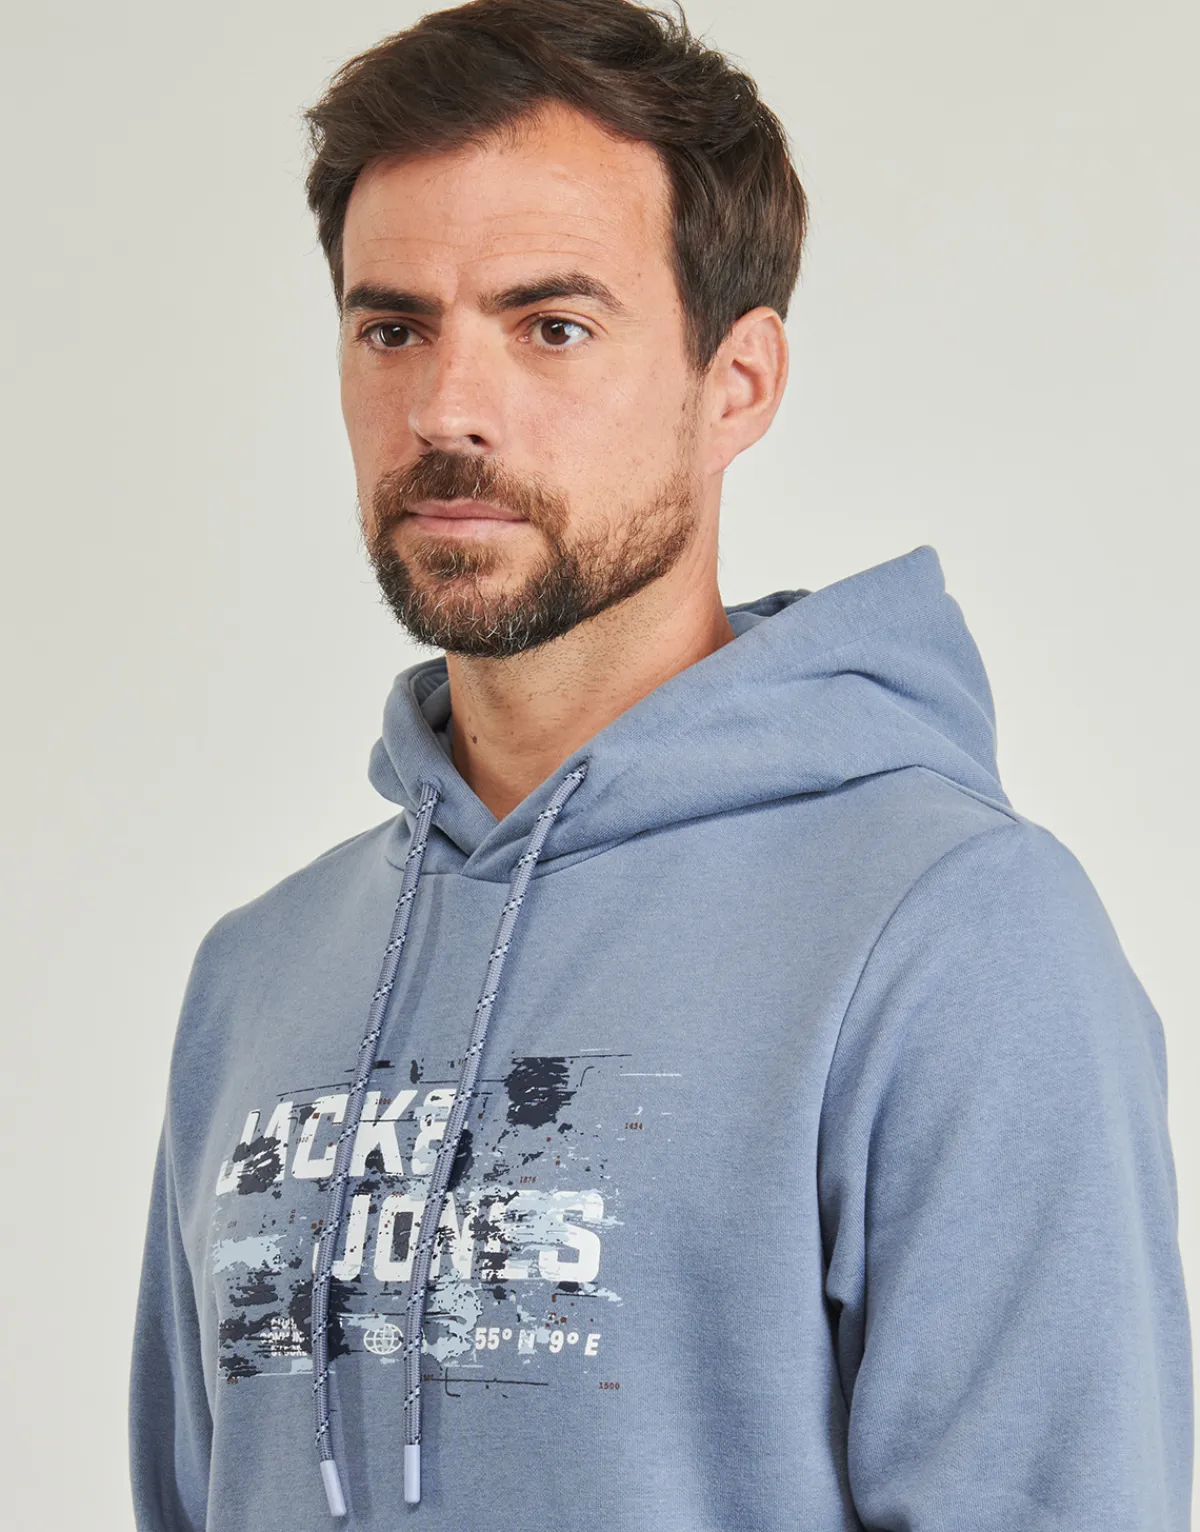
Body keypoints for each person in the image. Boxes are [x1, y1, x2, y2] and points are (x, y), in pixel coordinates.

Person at [128, 0, 1193, 1527]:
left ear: (735, 383)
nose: (444, 408)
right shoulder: (258, 977)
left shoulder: (956, 935)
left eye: (551, 327)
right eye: (392, 328)